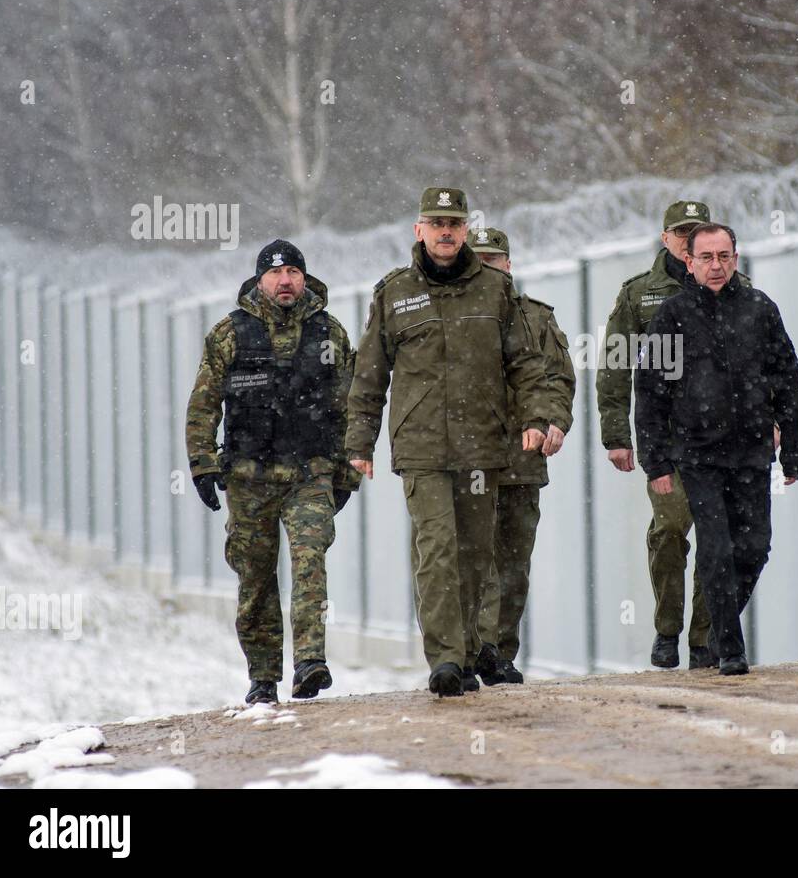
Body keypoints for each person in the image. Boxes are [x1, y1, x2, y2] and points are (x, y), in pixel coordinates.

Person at [345, 188, 554, 698]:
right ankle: (445, 659)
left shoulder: (494, 291)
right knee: (437, 548)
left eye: (454, 224)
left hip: (483, 447)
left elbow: (525, 363)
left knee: (475, 553)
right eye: (436, 222)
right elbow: (370, 373)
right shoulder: (394, 292)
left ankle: (465, 648)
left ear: (465, 230)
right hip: (421, 447)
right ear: (418, 229)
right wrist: (359, 441)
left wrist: (536, 415)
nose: (445, 231)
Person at [186, 239, 360, 704]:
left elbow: (350, 408)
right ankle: (263, 677)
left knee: (309, 565)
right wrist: (202, 463)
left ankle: (309, 662)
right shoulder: (230, 334)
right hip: (249, 477)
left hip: (310, 474)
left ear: (305, 279)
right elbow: (204, 403)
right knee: (256, 577)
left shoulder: (330, 335)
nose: (285, 281)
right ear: (259, 280)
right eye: (276, 274)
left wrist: (347, 472)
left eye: (294, 273)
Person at [635, 222, 798, 676]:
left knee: (755, 546)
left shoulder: (759, 309)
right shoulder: (671, 316)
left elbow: (789, 380)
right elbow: (650, 391)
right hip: (698, 455)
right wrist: (655, 460)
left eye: (724, 257)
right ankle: (728, 646)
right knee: (716, 547)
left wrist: (795, 450)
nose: (716, 266)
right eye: (706, 258)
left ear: (736, 257)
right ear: (688, 262)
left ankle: (714, 632)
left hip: (752, 452)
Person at [599, 200, 750, 671]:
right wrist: (616, 435)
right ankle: (668, 628)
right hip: (667, 440)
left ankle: (706, 636)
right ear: (665, 239)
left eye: (695, 231)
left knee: (719, 538)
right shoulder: (640, 295)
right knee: (669, 530)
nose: (688, 240)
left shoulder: (739, 292)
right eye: (680, 232)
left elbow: (758, 366)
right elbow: (616, 365)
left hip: (726, 440)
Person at [470, 228, 577, 686]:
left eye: (494, 261)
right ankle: (474, 648)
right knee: (475, 561)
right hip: (469, 456)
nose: (487, 269)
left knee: (514, 563)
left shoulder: (535, 318)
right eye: (478, 261)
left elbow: (558, 380)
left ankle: (500, 653)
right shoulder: (456, 319)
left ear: (508, 265)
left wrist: (556, 422)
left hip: (522, 457)